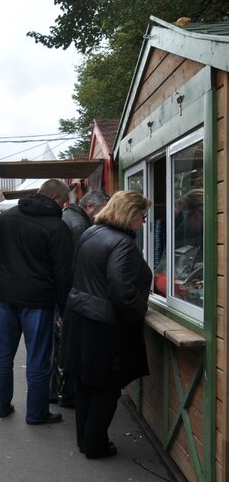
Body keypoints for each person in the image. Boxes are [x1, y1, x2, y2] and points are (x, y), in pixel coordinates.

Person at [61, 190, 152, 459]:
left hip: (81, 317)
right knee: (106, 387)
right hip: (103, 326)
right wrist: (139, 309)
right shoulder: (122, 243)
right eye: (142, 216)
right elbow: (121, 290)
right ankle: (95, 445)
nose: (144, 222)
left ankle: (86, 441)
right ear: (131, 215)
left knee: (86, 384)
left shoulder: (92, 232)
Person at [0, 178, 74, 424]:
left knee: (4, 353)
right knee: (38, 358)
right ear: (57, 199)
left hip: (7, 297)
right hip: (38, 301)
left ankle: (0, 405)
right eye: (65, 202)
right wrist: (65, 308)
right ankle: (36, 413)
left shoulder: (8, 217)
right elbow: (63, 273)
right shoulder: (57, 227)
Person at [53, 190, 110, 407]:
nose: (103, 214)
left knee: (62, 346)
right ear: (89, 207)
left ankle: (61, 390)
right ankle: (69, 393)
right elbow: (76, 267)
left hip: (65, 295)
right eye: (102, 209)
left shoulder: (69, 217)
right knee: (69, 349)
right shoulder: (79, 226)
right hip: (72, 296)